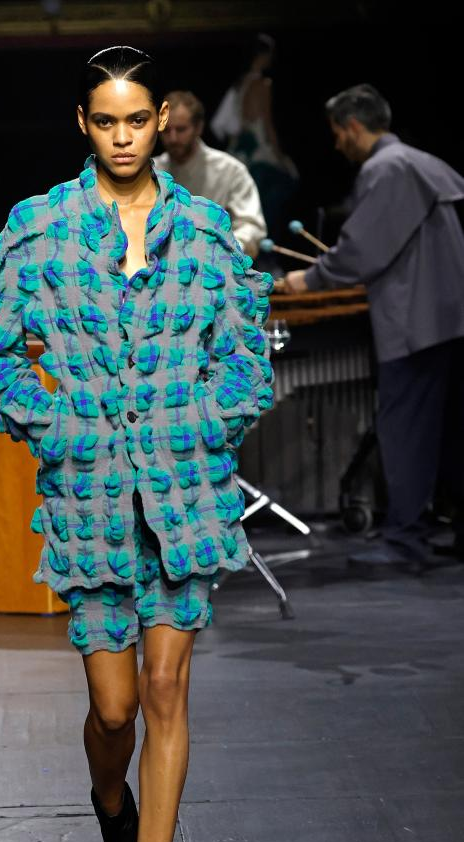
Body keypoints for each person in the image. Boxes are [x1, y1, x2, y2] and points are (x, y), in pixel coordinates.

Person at [0, 45, 273, 842]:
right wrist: (58, 427)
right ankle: (109, 800)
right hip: (91, 498)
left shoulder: (204, 230)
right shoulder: (41, 227)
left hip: (185, 490)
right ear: (83, 124)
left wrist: (206, 420)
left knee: (167, 689)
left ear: (162, 119)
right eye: (108, 121)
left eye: (139, 120)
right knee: (114, 708)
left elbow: (246, 357)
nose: (125, 137)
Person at [284, 84, 464, 568]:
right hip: (448, 319)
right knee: (450, 434)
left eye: (337, 133)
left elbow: (363, 251)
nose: (336, 144)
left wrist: (310, 279)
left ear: (352, 127)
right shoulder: (424, 161)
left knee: (404, 431)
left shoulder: (386, 168)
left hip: (415, 323)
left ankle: (405, 541)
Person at [155, 89, 266, 258]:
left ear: (198, 127)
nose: (173, 138)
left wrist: (222, 253)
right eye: (166, 130)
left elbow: (251, 226)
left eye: (181, 129)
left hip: (217, 267)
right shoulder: (150, 171)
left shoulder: (230, 171)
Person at [210, 33, 298, 244]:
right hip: (258, 150)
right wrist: (280, 156)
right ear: (263, 56)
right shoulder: (262, 84)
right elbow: (266, 123)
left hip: (238, 151)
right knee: (277, 193)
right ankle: (267, 249)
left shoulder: (240, 84)